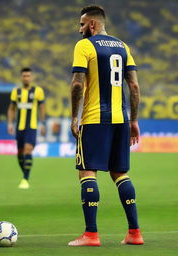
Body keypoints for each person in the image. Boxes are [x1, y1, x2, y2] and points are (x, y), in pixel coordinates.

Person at [69, 5, 144, 246]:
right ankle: (135, 233)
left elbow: (77, 84)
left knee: (87, 171)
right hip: (121, 120)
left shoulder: (84, 46)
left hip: (94, 119)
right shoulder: (123, 46)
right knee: (120, 173)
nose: (79, 29)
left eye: (82, 24)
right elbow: (134, 87)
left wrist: (73, 117)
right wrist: (133, 120)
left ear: (92, 24)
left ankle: (91, 234)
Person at [7, 67, 46, 189]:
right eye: (24, 76)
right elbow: (12, 108)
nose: (26, 78)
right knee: (20, 154)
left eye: (28, 75)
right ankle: (25, 174)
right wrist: (10, 123)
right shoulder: (16, 91)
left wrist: (43, 123)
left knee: (28, 150)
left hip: (32, 126)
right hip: (19, 127)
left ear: (32, 77)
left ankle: (25, 179)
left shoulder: (38, 91)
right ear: (21, 77)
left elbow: (42, 107)